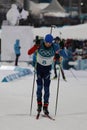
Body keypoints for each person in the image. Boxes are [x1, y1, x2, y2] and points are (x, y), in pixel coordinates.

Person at [28, 34, 64, 115]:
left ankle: (45, 107)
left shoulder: (54, 47)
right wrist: (35, 46)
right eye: (47, 42)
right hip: (39, 70)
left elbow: (61, 56)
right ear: (44, 41)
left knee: (47, 89)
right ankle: (39, 104)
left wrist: (59, 54)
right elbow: (29, 52)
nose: (48, 44)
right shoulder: (39, 45)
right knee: (39, 88)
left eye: (50, 42)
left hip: (47, 71)